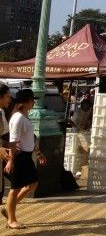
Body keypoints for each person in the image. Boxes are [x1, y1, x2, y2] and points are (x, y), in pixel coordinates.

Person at [3, 89, 47, 229]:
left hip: (26, 156)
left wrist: (38, 152)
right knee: (15, 188)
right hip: (19, 156)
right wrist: (11, 160)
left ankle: (9, 209)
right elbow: (13, 141)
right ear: (26, 101)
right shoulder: (18, 118)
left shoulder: (24, 116)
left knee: (32, 184)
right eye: (32, 100)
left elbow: (29, 138)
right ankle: (11, 219)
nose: (34, 102)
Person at [0, 84, 12, 216]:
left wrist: (8, 147)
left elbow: (3, 135)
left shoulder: (1, 112)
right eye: (8, 96)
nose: (10, 99)